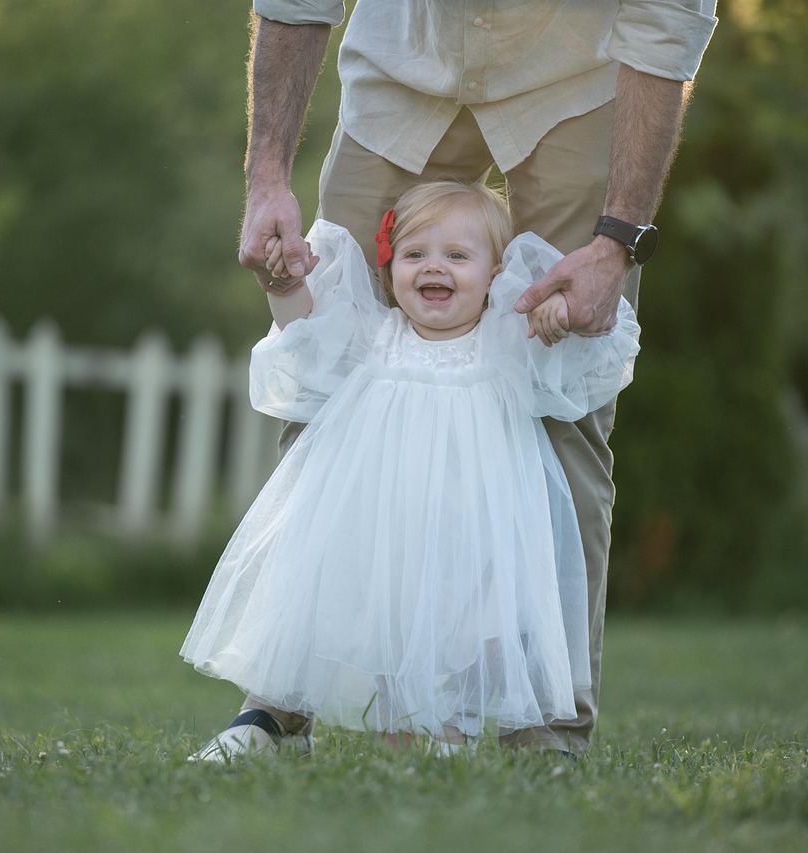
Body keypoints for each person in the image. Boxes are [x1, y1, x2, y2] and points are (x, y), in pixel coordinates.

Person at [226, 0, 718, 756]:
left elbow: (669, 20)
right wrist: (266, 177)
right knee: (330, 375)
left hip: (572, 78)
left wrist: (616, 242)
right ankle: (281, 704)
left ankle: (549, 724)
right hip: (401, 70)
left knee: (566, 399)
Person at [183, 181, 640, 759]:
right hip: (389, 536)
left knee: (480, 635)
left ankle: (461, 734)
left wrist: (557, 318)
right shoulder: (376, 337)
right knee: (393, 637)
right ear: (390, 264)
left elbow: (582, 364)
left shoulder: (504, 339)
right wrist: (285, 285)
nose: (435, 268)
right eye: (416, 254)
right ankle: (396, 743)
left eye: (457, 256)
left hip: (478, 537)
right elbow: (308, 335)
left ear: (497, 275)